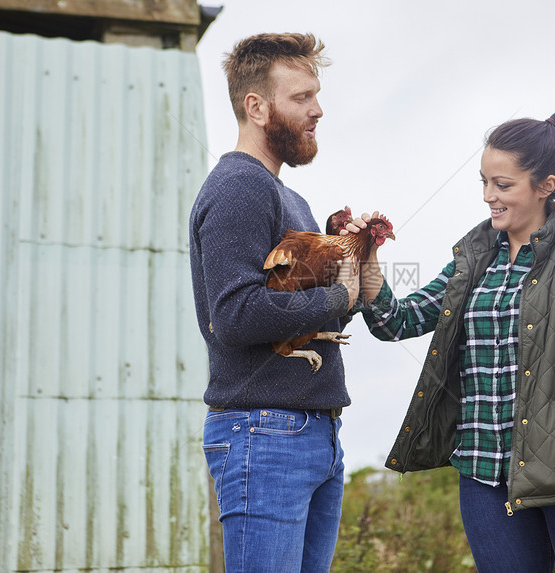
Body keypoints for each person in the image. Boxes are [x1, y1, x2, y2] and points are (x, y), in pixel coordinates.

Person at [345, 112, 555, 572]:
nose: (488, 196)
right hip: (486, 479)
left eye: (502, 185)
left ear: (545, 185)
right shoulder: (474, 257)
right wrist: (367, 261)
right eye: (484, 182)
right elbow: (397, 322)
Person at [189, 33, 359, 572]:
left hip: (312, 434)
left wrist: (354, 272)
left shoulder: (291, 198)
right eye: (301, 97)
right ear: (256, 106)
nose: (318, 109)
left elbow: (314, 307)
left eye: (317, 94)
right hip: (264, 435)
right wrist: (337, 295)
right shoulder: (240, 186)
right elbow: (234, 314)